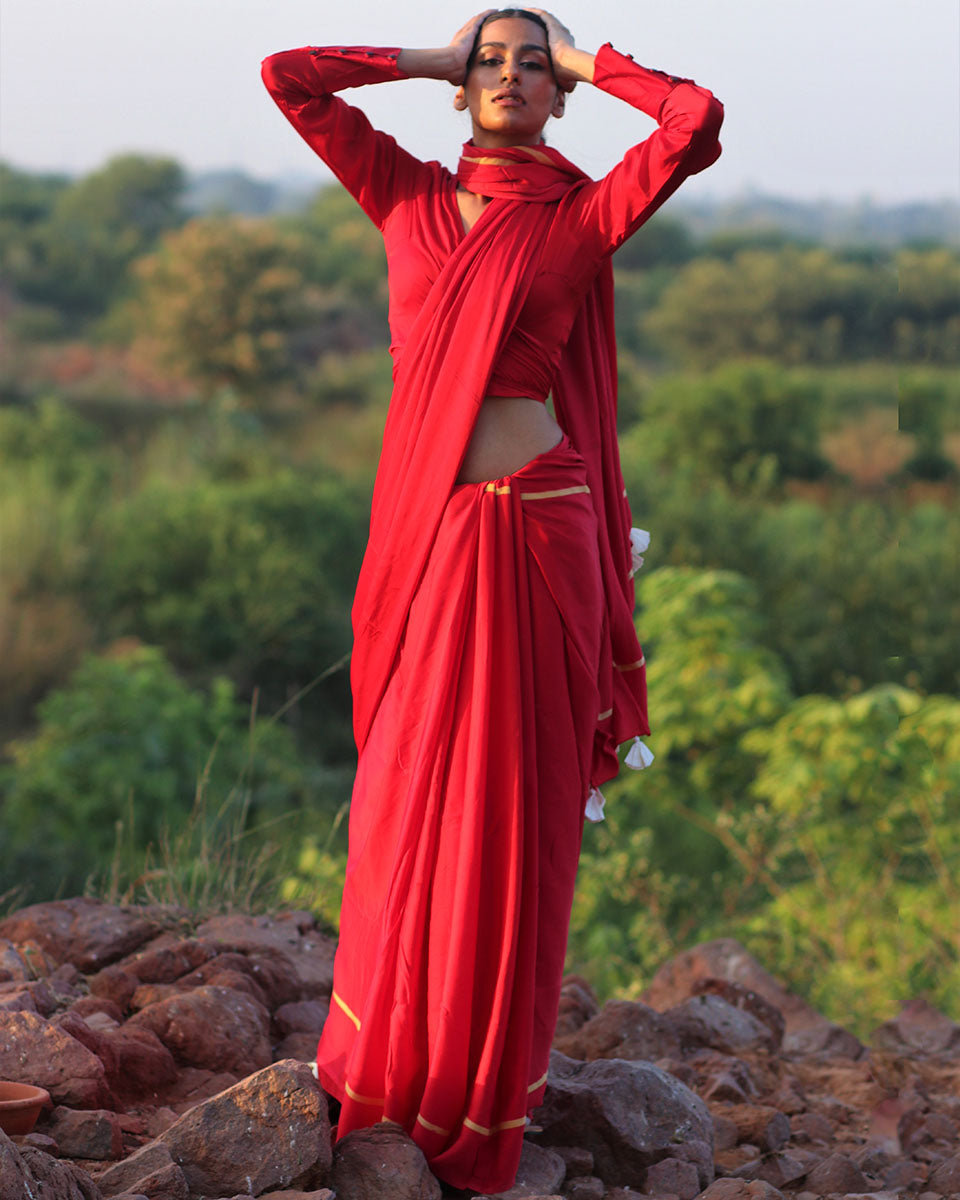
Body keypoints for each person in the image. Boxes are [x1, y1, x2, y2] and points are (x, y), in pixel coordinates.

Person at [261, 10, 722, 1193]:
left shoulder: (574, 221)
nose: (513, 78)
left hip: (537, 526)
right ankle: (381, 1077)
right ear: (463, 89)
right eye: (495, 62)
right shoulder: (406, 200)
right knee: (411, 798)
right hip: (435, 532)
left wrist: (584, 60)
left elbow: (693, 122)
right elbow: (290, 78)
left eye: (534, 67)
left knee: (509, 815)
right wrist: (431, 55)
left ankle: (480, 1107)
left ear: (559, 99)